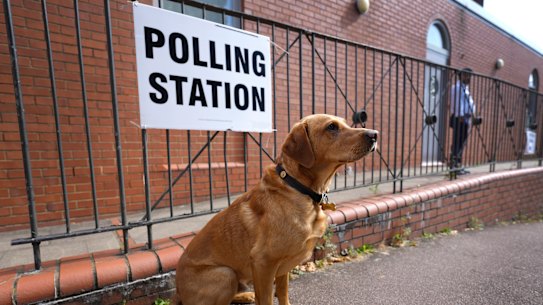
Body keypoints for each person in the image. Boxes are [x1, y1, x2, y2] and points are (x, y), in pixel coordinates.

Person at [449, 68, 475, 175]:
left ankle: (457, 165)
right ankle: (454, 166)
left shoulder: (465, 89)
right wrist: (461, 117)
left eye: (470, 76)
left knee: (461, 143)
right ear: (462, 76)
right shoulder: (457, 88)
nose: (469, 78)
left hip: (465, 119)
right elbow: (457, 103)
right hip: (460, 118)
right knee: (457, 143)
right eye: (467, 75)